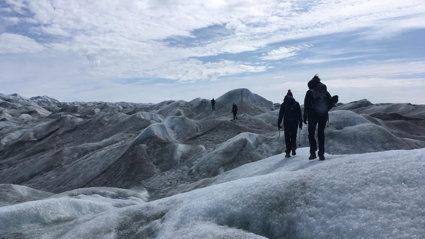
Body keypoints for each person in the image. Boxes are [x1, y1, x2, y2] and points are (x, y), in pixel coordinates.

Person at [303, 75, 338, 160]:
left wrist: (305, 117)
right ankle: (321, 154)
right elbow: (329, 103)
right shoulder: (325, 91)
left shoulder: (309, 92)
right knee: (320, 134)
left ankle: (312, 153)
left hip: (312, 116)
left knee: (311, 134)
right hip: (323, 115)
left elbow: (306, 105)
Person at [277, 90, 302, 158]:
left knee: (287, 137)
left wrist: (279, 123)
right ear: (292, 96)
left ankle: (288, 152)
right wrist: (300, 123)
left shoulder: (284, 104)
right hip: (295, 122)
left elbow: (281, 115)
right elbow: (299, 114)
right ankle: (293, 147)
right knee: (293, 135)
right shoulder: (296, 103)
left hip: (287, 122)